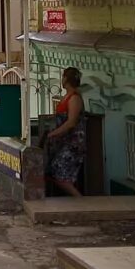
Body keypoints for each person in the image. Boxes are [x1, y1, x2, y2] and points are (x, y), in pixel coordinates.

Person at [47, 67, 87, 197]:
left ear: (66, 79)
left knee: (59, 173)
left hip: (73, 142)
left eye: (63, 77)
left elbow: (71, 122)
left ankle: (80, 201)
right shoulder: (67, 96)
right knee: (57, 171)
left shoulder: (74, 98)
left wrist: (54, 133)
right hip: (64, 141)